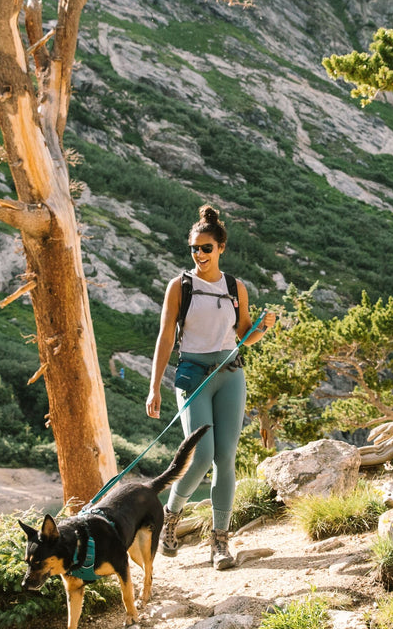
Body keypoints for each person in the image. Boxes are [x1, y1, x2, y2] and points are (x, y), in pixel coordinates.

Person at [146, 205, 276, 571]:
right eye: (194, 249)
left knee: (225, 459)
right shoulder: (180, 287)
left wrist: (263, 327)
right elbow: (164, 339)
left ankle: (220, 542)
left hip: (230, 373)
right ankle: (170, 516)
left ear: (221, 248)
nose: (199, 255)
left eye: (206, 248)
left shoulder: (235, 287)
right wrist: (154, 387)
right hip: (193, 376)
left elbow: (245, 336)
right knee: (200, 456)